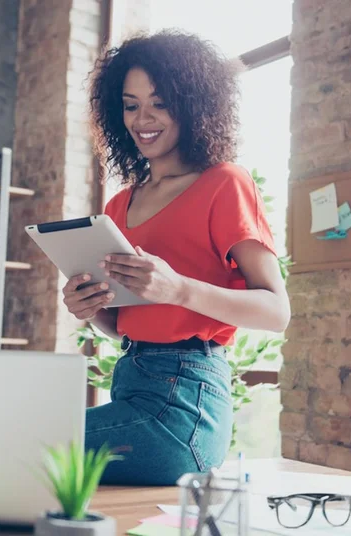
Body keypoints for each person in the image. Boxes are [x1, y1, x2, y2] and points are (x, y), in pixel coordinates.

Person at [62, 30, 291, 486]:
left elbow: (276, 312)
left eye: (160, 103)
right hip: (132, 384)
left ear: (192, 104)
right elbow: (128, 323)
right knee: (22, 447)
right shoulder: (117, 208)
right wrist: (91, 310)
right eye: (130, 105)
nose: (142, 119)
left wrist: (178, 287)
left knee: (22, 441)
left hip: (186, 405)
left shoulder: (224, 184)